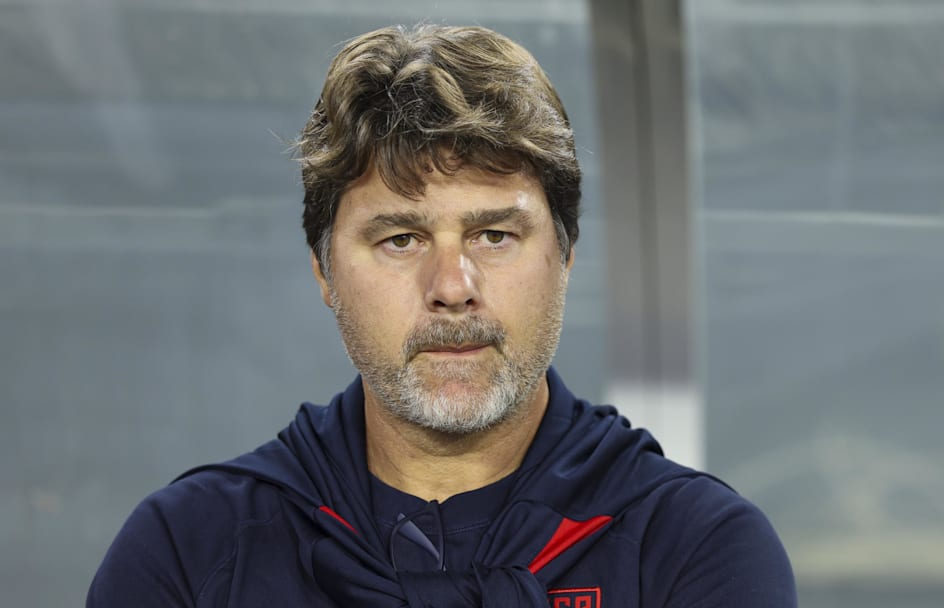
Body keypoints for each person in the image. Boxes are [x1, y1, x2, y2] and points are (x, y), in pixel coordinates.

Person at [87, 24, 796, 607]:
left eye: (494, 235)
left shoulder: (698, 552)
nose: (453, 287)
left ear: (567, 255)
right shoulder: (187, 551)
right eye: (401, 239)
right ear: (323, 272)